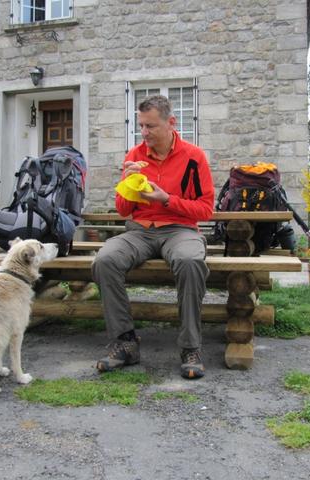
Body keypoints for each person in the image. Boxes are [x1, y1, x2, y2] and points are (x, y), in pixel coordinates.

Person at [91, 95, 215, 379]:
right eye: (141, 126)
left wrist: (166, 200)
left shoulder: (193, 157)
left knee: (189, 261)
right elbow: (124, 211)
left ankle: (190, 347)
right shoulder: (134, 155)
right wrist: (126, 182)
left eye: (150, 126)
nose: (144, 133)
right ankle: (125, 342)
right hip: (140, 231)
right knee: (105, 260)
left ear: (171, 123)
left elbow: (206, 210)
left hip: (180, 230)